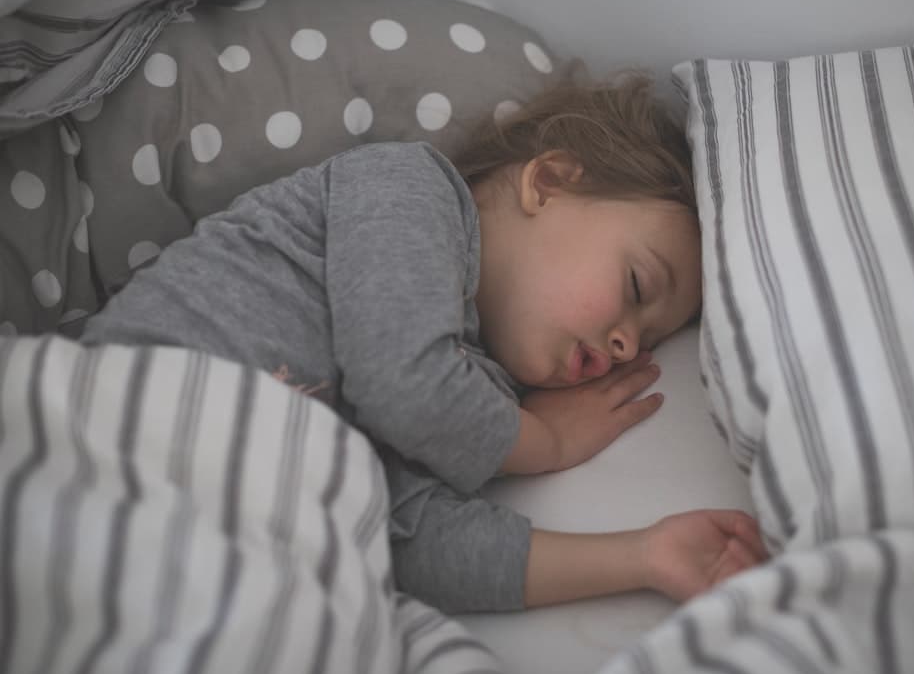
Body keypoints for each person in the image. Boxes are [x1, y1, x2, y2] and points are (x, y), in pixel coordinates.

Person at [80, 70, 767, 613]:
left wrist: (641, 556)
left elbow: (407, 546)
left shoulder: (484, 388)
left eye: (650, 338)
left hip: (189, 532)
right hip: (106, 425)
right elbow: (403, 382)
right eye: (638, 288)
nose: (627, 346)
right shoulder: (409, 189)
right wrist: (541, 443)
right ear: (549, 183)